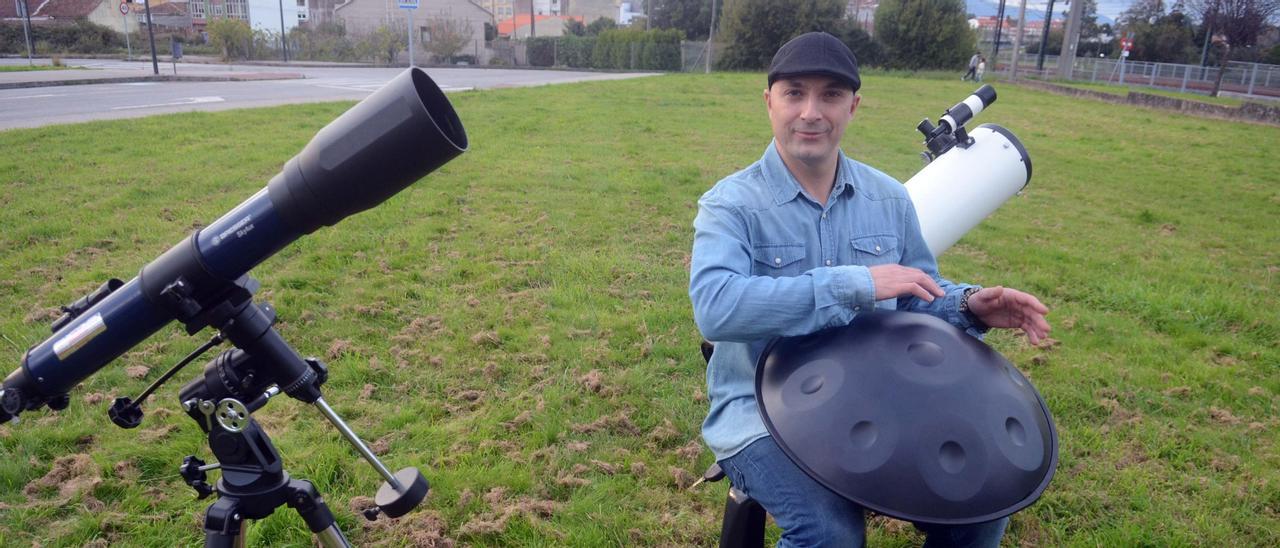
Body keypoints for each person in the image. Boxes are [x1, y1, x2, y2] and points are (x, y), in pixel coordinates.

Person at [688, 32, 1051, 547]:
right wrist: (854, 285)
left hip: (876, 399)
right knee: (830, 533)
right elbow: (716, 310)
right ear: (768, 101)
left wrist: (970, 304)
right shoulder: (730, 205)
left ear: (853, 106)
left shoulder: (888, 199)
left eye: (831, 95)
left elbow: (915, 298)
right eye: (794, 93)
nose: (811, 112)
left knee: (981, 509)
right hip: (756, 412)